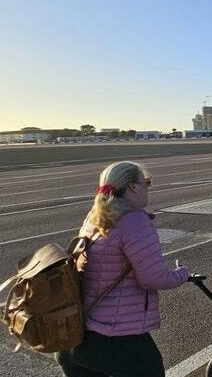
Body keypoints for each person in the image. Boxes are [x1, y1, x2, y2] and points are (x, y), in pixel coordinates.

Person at [56, 161, 189, 377]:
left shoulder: (94, 218)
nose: (148, 188)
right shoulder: (133, 221)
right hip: (117, 339)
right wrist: (182, 273)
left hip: (77, 339)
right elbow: (153, 278)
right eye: (146, 182)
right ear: (132, 187)